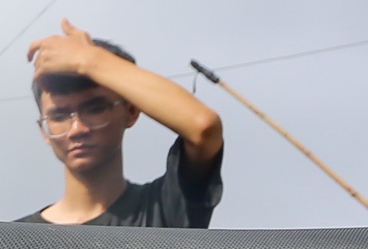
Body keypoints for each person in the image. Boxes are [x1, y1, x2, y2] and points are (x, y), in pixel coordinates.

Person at [20, 21, 224, 226]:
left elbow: (203, 127)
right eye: (59, 117)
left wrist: (88, 60)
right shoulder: (12, 241)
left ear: (132, 112)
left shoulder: (162, 209)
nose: (77, 129)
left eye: (95, 109)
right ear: (43, 131)